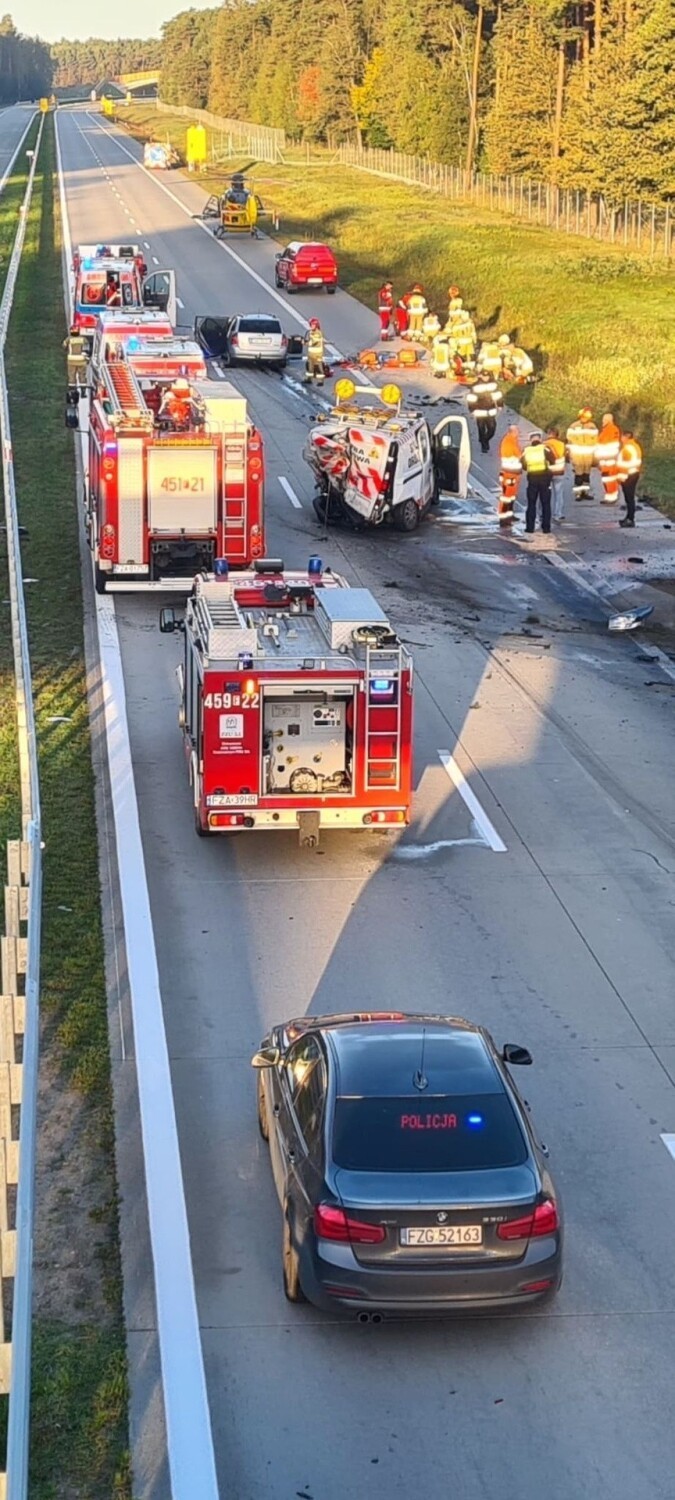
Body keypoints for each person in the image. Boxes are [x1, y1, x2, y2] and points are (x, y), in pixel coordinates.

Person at [522, 432, 553, 535]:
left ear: (531, 440)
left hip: (532, 479)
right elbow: (553, 460)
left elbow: (523, 465)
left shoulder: (526, 451)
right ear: (540, 440)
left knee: (531, 504)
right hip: (544, 478)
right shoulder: (545, 449)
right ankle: (546, 528)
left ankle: (530, 528)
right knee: (545, 504)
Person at [466, 367, 503, 453]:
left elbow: (498, 395)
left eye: (487, 376)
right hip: (479, 411)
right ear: (481, 376)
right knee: (481, 428)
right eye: (484, 376)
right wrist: (472, 409)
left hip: (490, 410)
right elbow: (471, 398)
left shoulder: (493, 385)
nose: (486, 378)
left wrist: (500, 405)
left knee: (492, 428)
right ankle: (484, 445)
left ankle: (484, 440)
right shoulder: (475, 386)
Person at [566, 407, 598, 500]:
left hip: (588, 454)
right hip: (577, 454)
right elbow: (569, 438)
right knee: (578, 474)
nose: (586, 418)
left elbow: (595, 439)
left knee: (586, 475)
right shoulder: (573, 426)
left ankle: (585, 493)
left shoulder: (592, 426)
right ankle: (578, 494)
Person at [617, 430, 642, 527]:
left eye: (622, 437)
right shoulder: (635, 446)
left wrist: (621, 477)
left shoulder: (627, 448)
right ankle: (628, 517)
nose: (621, 439)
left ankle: (630, 519)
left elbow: (624, 465)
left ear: (626, 437)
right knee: (630, 498)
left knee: (629, 498)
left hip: (628, 475)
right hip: (634, 473)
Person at [498, 425, 522, 526]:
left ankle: (509, 515)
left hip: (513, 474)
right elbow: (517, 455)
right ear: (512, 432)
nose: (519, 434)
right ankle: (503, 518)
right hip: (509, 474)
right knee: (506, 497)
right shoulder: (509, 442)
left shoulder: (512, 440)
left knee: (511, 496)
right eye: (517, 432)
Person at [596, 412, 621, 504]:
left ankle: (611, 497)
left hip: (607, 458)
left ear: (608, 420)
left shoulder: (609, 430)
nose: (602, 421)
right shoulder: (611, 429)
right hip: (608, 458)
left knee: (609, 478)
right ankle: (610, 496)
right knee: (608, 478)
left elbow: (604, 443)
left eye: (604, 419)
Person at [546, 426, 567, 522]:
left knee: (545, 494)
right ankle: (558, 514)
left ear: (548, 434)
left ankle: (543, 514)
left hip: (547, 472)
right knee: (559, 494)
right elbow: (567, 456)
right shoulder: (562, 444)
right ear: (557, 435)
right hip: (559, 472)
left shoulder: (543, 444)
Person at [304, 318, 326, 384]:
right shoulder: (311, 332)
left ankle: (320, 381)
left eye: (313, 325)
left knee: (319, 367)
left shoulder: (318, 333)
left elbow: (314, 342)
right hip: (311, 354)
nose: (311, 326)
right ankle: (309, 379)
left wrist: (305, 343)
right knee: (310, 367)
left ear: (316, 325)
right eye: (311, 325)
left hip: (317, 354)